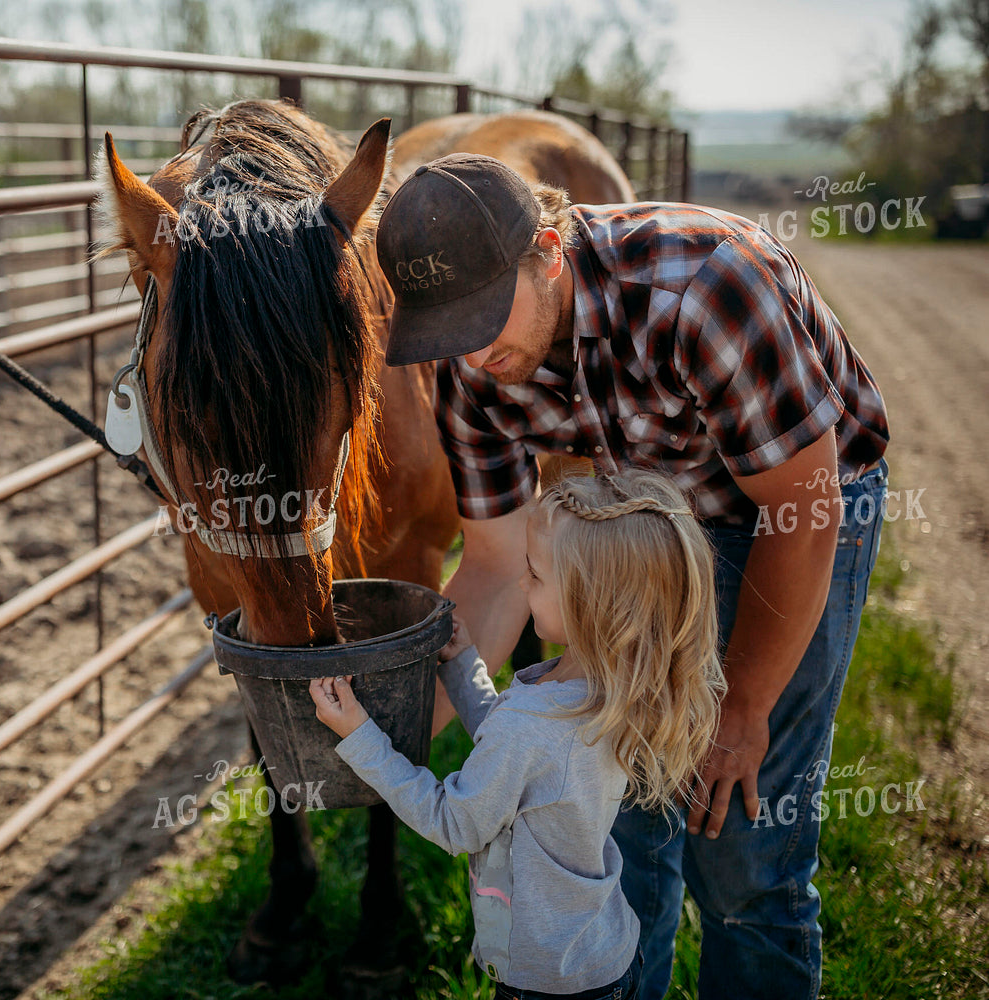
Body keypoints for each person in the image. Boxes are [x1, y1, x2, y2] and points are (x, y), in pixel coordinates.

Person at [373, 153, 890, 1000]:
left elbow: (804, 514)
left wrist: (744, 702)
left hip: (789, 506)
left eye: (481, 316)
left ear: (546, 250)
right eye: (445, 329)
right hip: (641, 529)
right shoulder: (474, 371)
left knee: (743, 842)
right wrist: (393, 734)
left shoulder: (709, 289)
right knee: (620, 825)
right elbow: (498, 565)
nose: (470, 350)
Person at [309, 470, 727, 1000]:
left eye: (534, 575)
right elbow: (520, 760)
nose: (522, 584)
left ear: (586, 602)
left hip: (543, 981)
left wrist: (358, 734)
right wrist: (463, 668)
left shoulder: (533, 725)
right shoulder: (613, 689)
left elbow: (454, 822)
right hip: (605, 955)